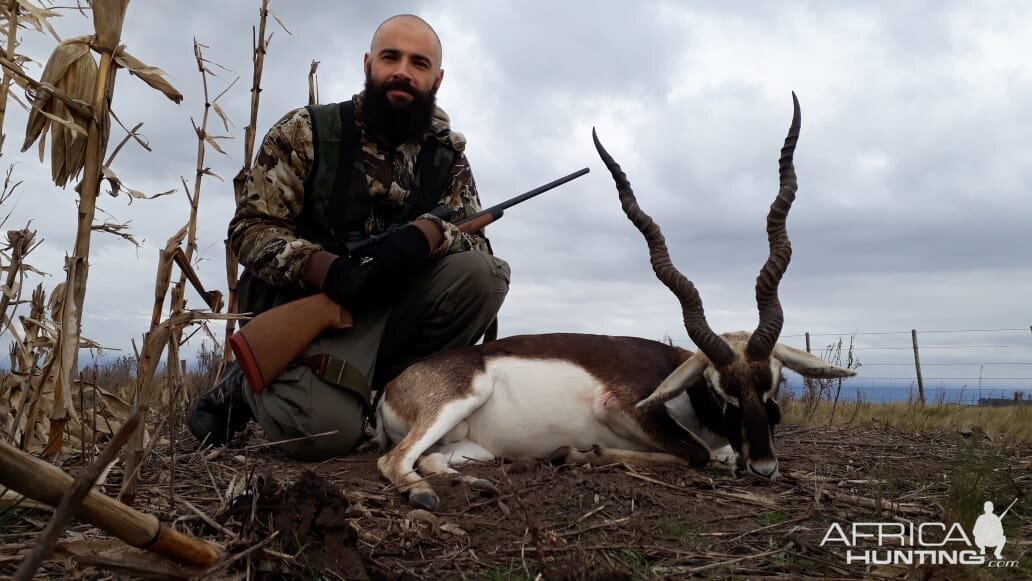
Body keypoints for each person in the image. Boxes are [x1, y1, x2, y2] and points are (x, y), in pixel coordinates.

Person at [187, 14, 510, 460]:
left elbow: (477, 243)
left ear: (437, 78)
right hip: (308, 309)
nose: (402, 70)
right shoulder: (306, 131)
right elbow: (249, 230)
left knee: (483, 275)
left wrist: (431, 238)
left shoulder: (448, 157)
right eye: (390, 56)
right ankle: (243, 386)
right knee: (322, 435)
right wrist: (324, 268)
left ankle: (392, 396)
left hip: (392, 311)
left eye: (419, 63)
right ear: (367, 63)